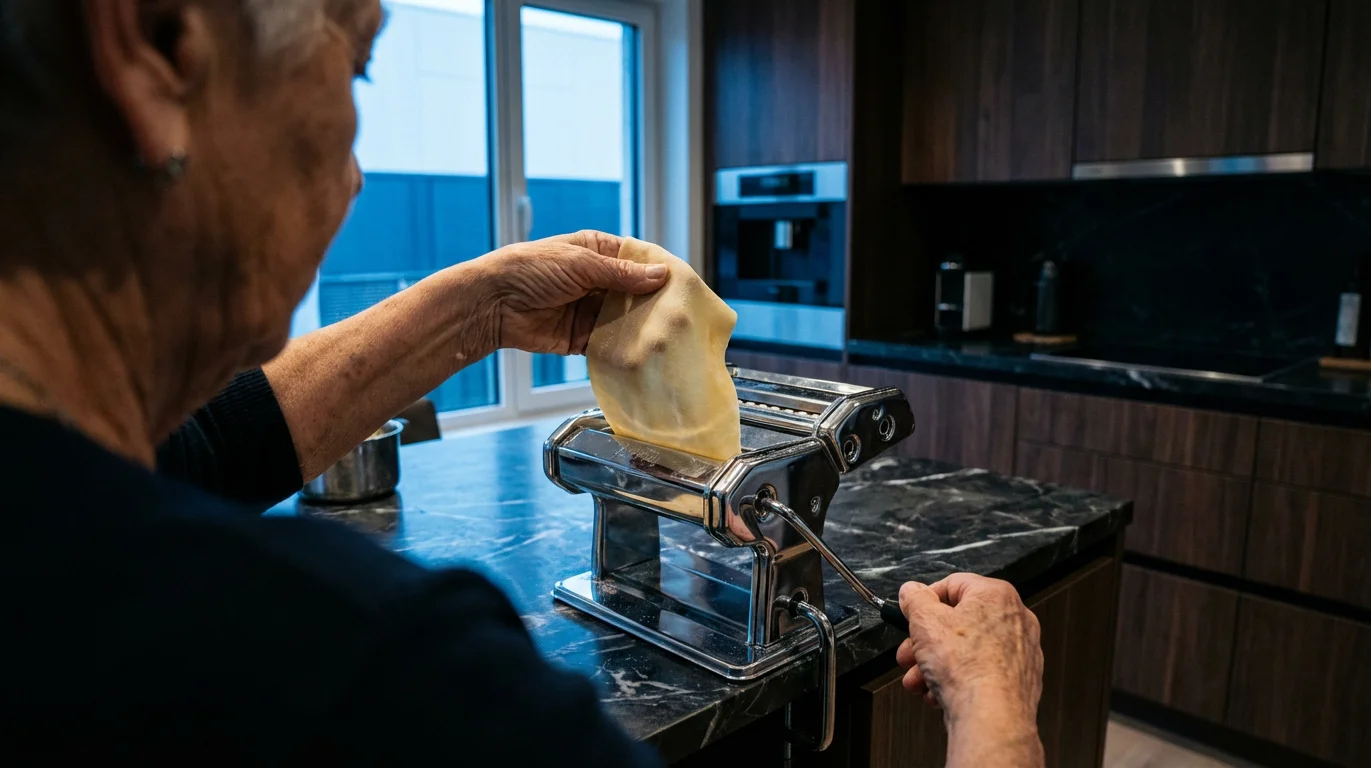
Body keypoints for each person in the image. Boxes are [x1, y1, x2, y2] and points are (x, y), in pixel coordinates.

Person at [0, 0, 1044, 764]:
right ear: (154, 39)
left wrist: (489, 306)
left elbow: (209, 450)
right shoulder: (354, 675)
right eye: (355, 68)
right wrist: (995, 710)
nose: (357, 167)